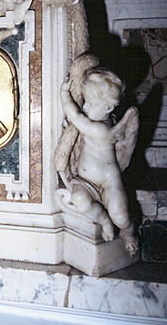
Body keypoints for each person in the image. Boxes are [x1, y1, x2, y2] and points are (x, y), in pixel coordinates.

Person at [60, 67, 139, 256]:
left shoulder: (99, 130)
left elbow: (74, 115)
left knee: (122, 217)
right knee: (80, 201)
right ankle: (104, 220)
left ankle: (129, 234)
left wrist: (64, 94)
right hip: (85, 182)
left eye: (89, 103)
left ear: (108, 108)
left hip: (110, 182)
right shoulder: (106, 120)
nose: (84, 107)